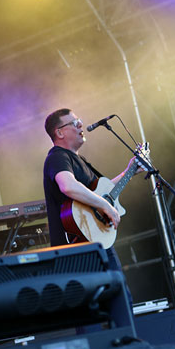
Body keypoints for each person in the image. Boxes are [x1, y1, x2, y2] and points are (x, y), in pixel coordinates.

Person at [42, 108, 142, 266]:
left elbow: (103, 192)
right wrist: (105, 206)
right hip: (76, 248)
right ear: (60, 133)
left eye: (79, 121)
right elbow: (68, 186)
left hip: (95, 239)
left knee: (116, 281)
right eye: (75, 123)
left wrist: (129, 171)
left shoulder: (80, 160)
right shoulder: (57, 156)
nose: (80, 125)